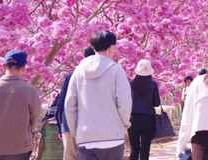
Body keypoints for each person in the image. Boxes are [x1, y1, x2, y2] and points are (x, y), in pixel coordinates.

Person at [65, 31, 132, 160]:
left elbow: (69, 105)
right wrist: (124, 124)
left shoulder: (78, 71)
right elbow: (124, 102)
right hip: (113, 135)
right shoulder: (116, 70)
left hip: (85, 137)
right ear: (111, 47)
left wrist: (75, 131)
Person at [0, 50, 42, 160]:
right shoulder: (29, 90)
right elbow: (35, 119)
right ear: (24, 67)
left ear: (4, 66)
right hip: (18, 147)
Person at [55, 47, 95, 160]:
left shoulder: (71, 75)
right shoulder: (98, 76)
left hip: (68, 122)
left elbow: (61, 102)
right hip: (89, 124)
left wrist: (60, 126)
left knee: (70, 156)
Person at [128, 59, 161, 160]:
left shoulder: (131, 84)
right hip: (148, 119)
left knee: (134, 149)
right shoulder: (153, 84)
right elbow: (157, 103)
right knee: (145, 149)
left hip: (133, 119)